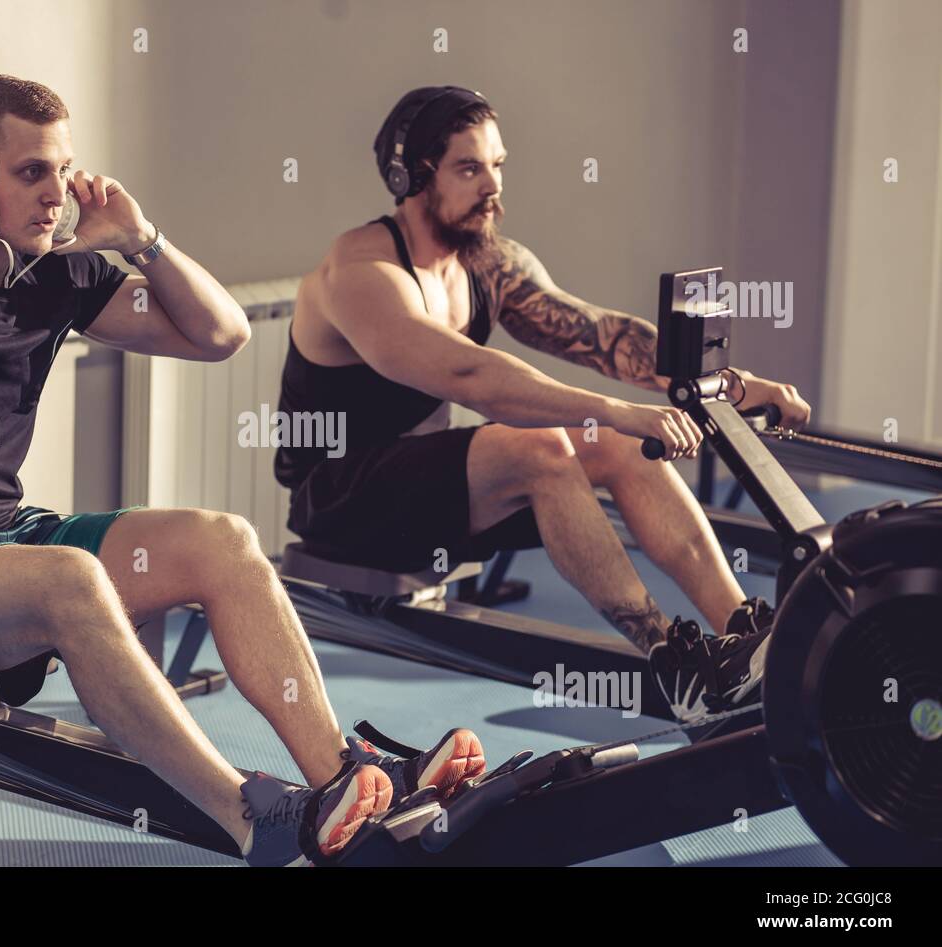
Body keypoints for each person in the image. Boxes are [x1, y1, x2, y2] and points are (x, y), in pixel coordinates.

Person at [0, 75, 484, 866]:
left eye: (64, 168)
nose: (58, 193)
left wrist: (141, 238)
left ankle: (342, 777)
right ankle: (248, 818)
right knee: (68, 577)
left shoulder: (57, 272)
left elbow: (221, 333)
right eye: (32, 173)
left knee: (222, 540)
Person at [273, 86, 813, 721]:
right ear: (412, 177)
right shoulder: (361, 272)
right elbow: (468, 373)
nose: (492, 186)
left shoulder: (488, 264)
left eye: (497, 165)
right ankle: (676, 665)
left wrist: (738, 387)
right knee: (541, 445)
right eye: (469, 169)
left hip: (435, 490)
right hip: (340, 497)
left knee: (619, 448)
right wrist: (610, 409)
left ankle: (745, 639)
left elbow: (605, 339)